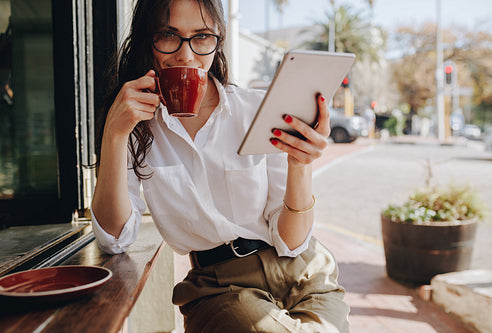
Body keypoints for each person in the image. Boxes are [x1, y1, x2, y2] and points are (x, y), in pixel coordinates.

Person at [90, 0, 350, 332]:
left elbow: (292, 242)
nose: (186, 55)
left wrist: (299, 165)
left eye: (201, 37)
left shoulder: (257, 109)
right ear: (147, 41)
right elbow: (114, 238)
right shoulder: (136, 124)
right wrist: (115, 134)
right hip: (219, 288)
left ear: (218, 40)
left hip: (306, 273)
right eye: (169, 35)